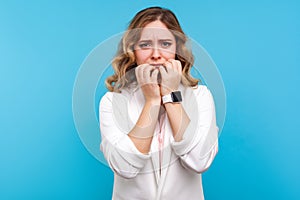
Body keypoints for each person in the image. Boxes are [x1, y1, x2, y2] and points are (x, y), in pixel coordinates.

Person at [99, 6, 219, 200]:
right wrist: (152, 101)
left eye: (165, 43)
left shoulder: (200, 97)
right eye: (145, 45)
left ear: (177, 50)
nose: (156, 54)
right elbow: (125, 167)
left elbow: (199, 160)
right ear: (133, 51)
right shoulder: (113, 102)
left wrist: (170, 95)